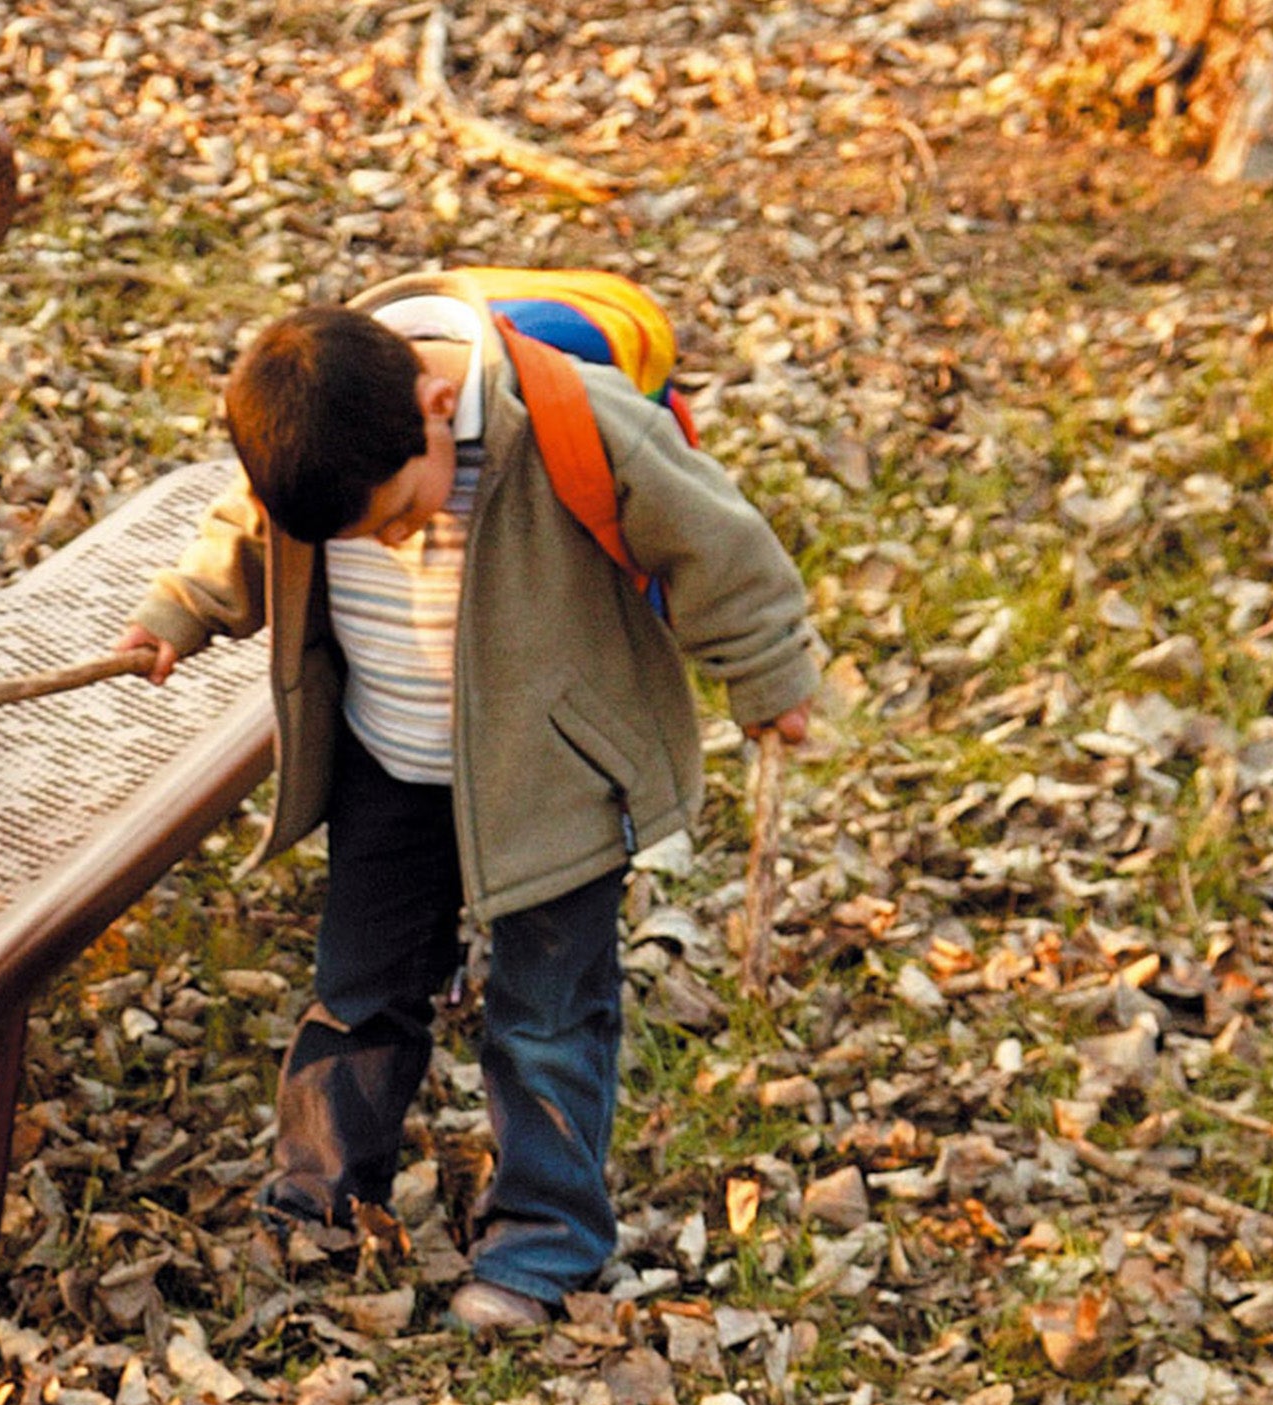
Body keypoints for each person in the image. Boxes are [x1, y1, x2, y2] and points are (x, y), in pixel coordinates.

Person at [113, 278, 822, 1327]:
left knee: (546, 1014)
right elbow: (247, 528)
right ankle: (316, 1199)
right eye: (366, 534)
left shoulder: (572, 420)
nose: (392, 539)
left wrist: (767, 676)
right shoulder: (323, 434)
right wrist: (179, 611)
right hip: (384, 764)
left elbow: (713, 540)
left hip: (552, 777)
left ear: (438, 409)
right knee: (355, 990)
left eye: (401, 512)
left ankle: (542, 1245)